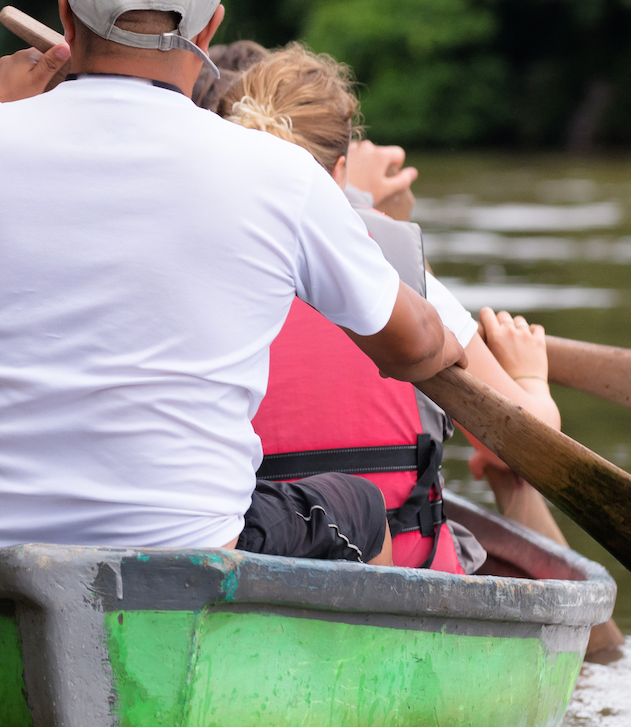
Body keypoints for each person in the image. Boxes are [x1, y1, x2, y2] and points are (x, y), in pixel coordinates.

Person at [0, 0, 468, 566]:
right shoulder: (280, 172)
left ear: (66, 13)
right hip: (188, 558)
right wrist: (436, 319)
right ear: (209, 29)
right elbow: (413, 349)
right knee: (354, 505)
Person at [219, 44, 564, 572]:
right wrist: (531, 376)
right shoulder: (403, 269)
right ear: (340, 172)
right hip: (409, 566)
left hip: (261, 563)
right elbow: (527, 446)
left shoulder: (205, 271)